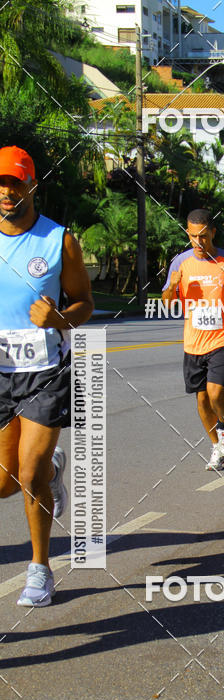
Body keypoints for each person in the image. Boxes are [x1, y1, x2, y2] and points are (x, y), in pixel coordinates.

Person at [0, 146, 94, 606]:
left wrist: (58, 317)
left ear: (32, 184)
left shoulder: (59, 240)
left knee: (29, 470)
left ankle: (40, 569)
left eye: (15, 182)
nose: (6, 191)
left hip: (45, 371)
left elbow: (85, 305)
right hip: (1, 374)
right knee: (4, 483)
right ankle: (53, 467)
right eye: (0, 183)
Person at [162, 209, 224, 471]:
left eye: (203, 236)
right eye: (193, 237)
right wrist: (172, 286)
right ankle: (217, 445)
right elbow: (168, 304)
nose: (199, 243)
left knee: (215, 392)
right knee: (201, 400)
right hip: (193, 341)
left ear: (213, 232)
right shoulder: (180, 263)